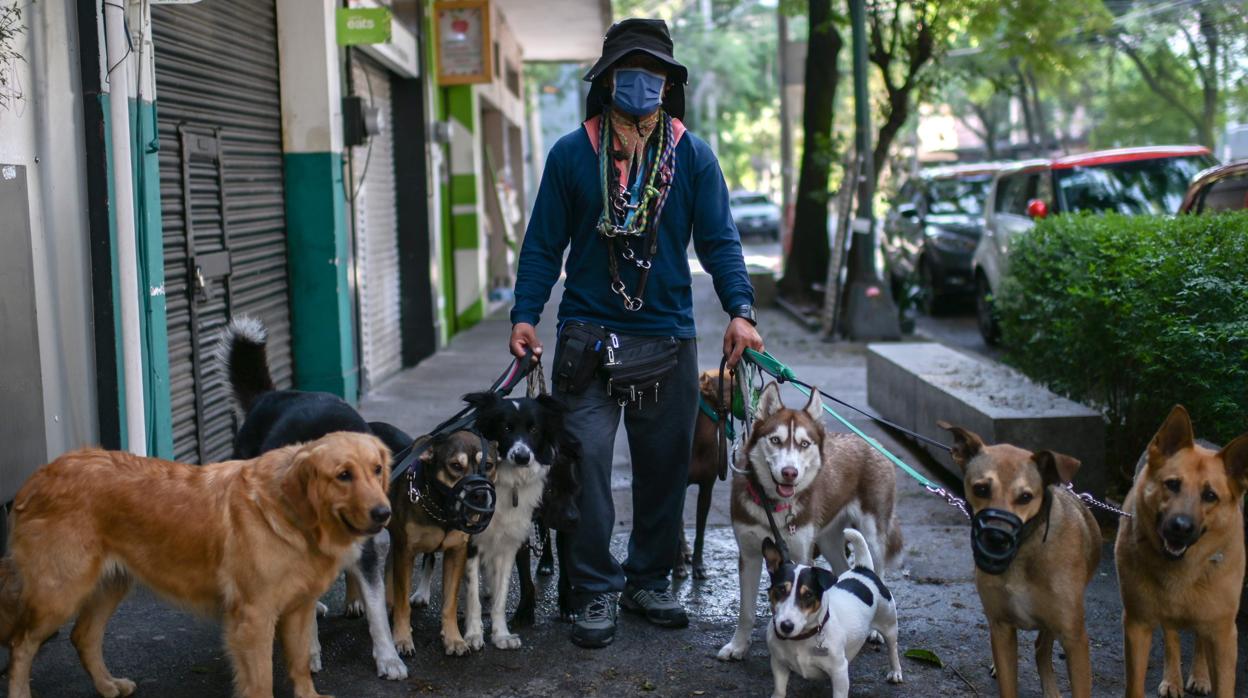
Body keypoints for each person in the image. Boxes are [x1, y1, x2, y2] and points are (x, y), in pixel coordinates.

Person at [508, 18, 763, 649]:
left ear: (668, 83)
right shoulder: (571, 154)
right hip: (586, 338)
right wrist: (523, 313)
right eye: (631, 71)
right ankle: (593, 588)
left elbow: (720, 241)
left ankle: (651, 578)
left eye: (654, 73)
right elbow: (543, 245)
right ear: (608, 79)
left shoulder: (695, 156)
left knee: (665, 467)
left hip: (669, 336)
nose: (642, 84)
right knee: (586, 461)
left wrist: (741, 310)